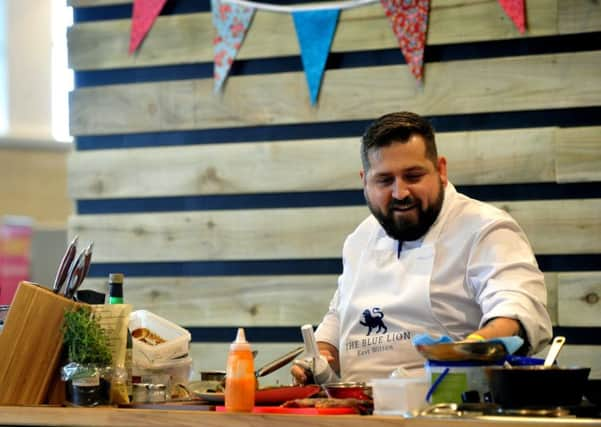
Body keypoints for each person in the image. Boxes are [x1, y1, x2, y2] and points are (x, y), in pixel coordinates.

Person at [292, 111, 552, 384]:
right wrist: (320, 353)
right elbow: (342, 313)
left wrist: (468, 349)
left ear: (440, 170)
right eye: (384, 180)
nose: (400, 193)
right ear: (364, 181)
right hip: (357, 411)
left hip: (448, 411)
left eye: (413, 176)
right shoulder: (361, 237)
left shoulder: (485, 228)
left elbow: (516, 309)